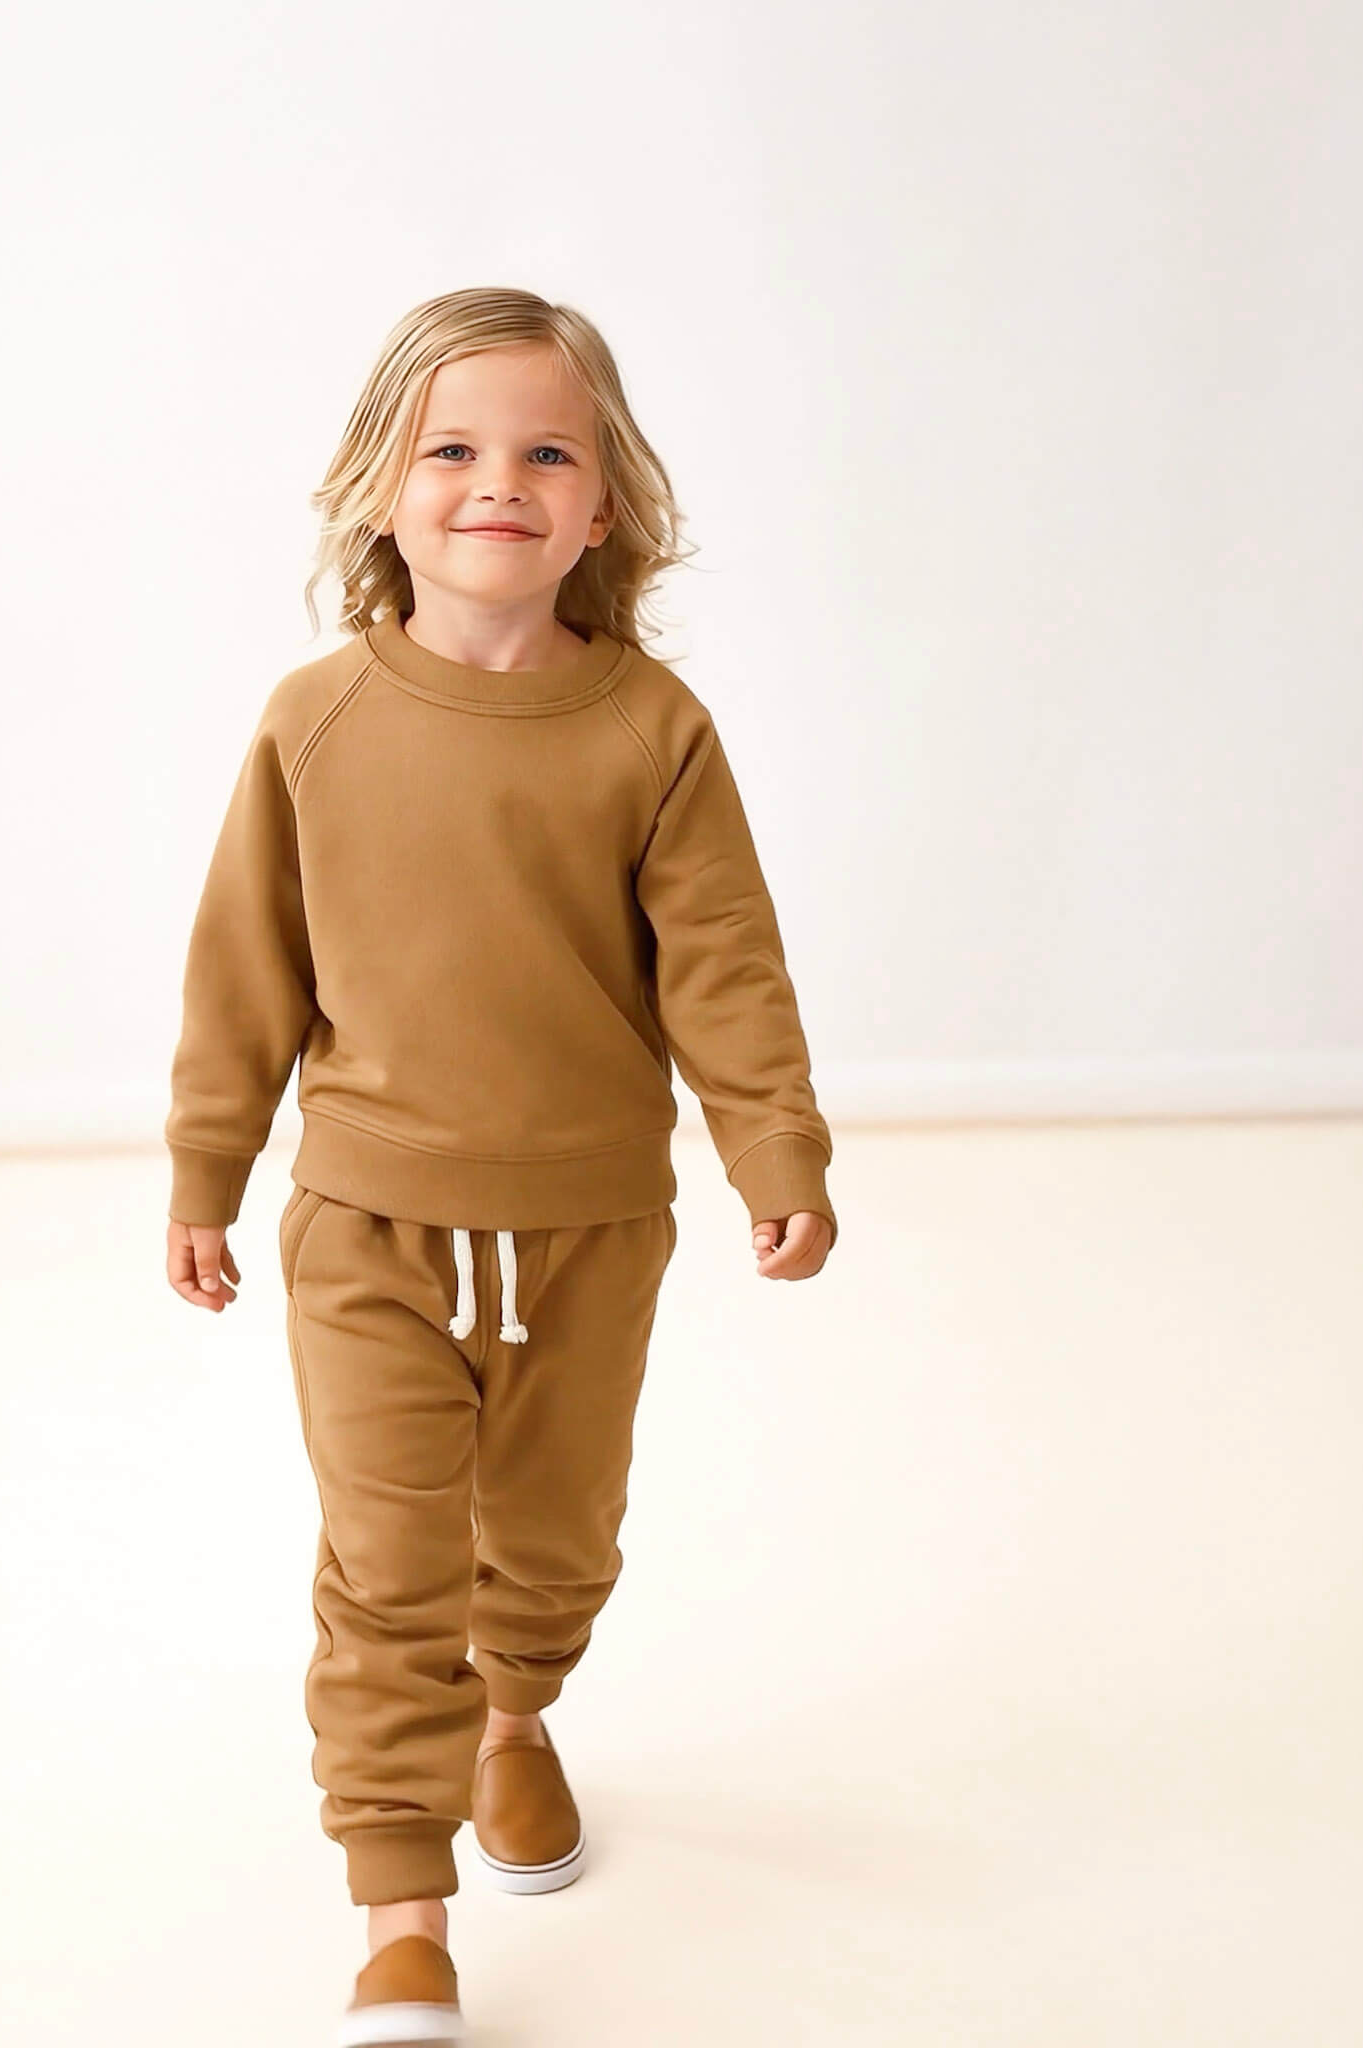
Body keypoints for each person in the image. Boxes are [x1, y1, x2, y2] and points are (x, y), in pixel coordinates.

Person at [164, 285, 838, 2046]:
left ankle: (515, 1718)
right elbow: (244, 965)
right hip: (367, 1224)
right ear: (379, 489)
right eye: (450, 447)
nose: (497, 481)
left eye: (548, 451)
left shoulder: (650, 731)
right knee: (387, 1569)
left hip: (590, 1225)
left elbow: (724, 963)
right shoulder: (315, 720)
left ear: (604, 507)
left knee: (548, 1549)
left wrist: (773, 1138)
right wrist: (205, 1170)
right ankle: (398, 1905)